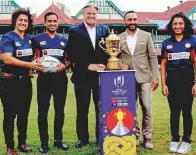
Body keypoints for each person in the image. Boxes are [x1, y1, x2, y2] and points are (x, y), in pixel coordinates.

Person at [0, 8, 43, 155]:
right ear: (15, 22)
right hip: (8, 81)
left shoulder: (30, 39)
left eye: (26, 20)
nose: (23, 22)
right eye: (20, 20)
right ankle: (10, 147)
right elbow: (7, 58)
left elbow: (40, 50)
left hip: (25, 82)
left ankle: (22, 143)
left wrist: (37, 61)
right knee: (10, 114)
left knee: (24, 114)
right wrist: (29, 65)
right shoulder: (7, 37)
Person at [67, 3, 110, 148]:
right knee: (82, 108)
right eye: (88, 13)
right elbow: (72, 53)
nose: (91, 16)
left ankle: (101, 137)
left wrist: (105, 64)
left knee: (101, 108)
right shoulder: (74, 30)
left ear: (96, 15)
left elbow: (109, 51)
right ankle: (82, 138)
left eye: (93, 13)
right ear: (83, 15)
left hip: (100, 76)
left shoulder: (104, 29)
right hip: (82, 76)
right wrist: (87, 65)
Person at [161, 12, 196, 154]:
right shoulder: (167, 43)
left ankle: (186, 141)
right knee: (174, 112)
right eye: (175, 24)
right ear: (171, 26)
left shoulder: (192, 41)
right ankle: (174, 139)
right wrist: (163, 84)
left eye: (180, 23)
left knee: (187, 112)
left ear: (185, 25)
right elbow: (164, 64)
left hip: (188, 83)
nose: (177, 26)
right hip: (171, 83)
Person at [31, 12, 70, 153]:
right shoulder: (36, 39)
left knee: (59, 111)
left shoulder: (64, 41)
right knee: (43, 111)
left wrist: (64, 66)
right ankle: (44, 143)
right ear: (45, 23)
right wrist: (35, 66)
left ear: (57, 23)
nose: (52, 24)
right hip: (44, 80)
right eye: (50, 21)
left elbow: (69, 59)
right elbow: (32, 59)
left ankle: (58, 140)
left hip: (60, 79)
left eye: (54, 21)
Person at [119, 11, 159, 149]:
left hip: (145, 77)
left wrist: (155, 77)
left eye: (135, 19)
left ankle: (148, 138)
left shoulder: (146, 35)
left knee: (147, 108)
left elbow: (153, 57)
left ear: (137, 20)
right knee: (131, 109)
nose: (132, 22)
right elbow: (116, 57)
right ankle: (135, 136)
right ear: (125, 22)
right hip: (127, 78)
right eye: (129, 19)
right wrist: (120, 64)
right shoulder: (119, 38)